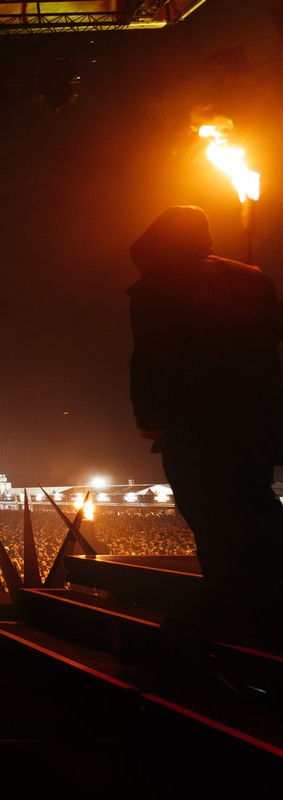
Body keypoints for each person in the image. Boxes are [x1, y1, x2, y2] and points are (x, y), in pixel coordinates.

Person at [127, 206, 283, 643]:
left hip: (196, 421)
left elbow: (151, 356)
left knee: (208, 512)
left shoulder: (158, 285)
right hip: (256, 418)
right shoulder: (252, 277)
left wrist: (151, 418)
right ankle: (266, 600)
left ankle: (228, 605)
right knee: (254, 503)